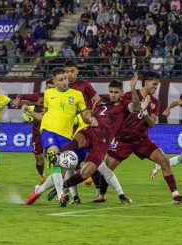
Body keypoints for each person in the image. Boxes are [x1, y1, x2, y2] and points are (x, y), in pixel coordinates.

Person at [26, 75, 140, 207]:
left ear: (121, 93)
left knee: (86, 173)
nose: (113, 95)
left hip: (101, 143)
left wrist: (132, 88)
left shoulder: (125, 105)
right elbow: (88, 113)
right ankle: (57, 158)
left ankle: (58, 187)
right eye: (111, 92)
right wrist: (90, 118)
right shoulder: (102, 102)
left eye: (116, 92)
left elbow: (136, 107)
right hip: (89, 132)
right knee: (71, 150)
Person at [96, 72, 182, 204]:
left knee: (164, 161)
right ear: (146, 82)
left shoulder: (155, 102)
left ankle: (175, 194)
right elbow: (127, 108)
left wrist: (145, 111)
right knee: (108, 168)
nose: (156, 87)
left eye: (157, 84)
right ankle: (102, 195)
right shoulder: (127, 95)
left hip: (141, 140)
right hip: (123, 140)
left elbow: (151, 123)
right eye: (154, 84)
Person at [24, 67, 95, 206]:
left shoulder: (77, 95)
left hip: (66, 136)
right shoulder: (48, 93)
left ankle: (38, 190)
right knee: (54, 157)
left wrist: (90, 119)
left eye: (66, 79)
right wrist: (31, 113)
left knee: (61, 168)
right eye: (61, 80)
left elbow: (84, 116)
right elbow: (45, 115)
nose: (65, 82)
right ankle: (61, 195)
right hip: (48, 131)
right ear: (55, 82)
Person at [64, 59, 101, 202]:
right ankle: (74, 196)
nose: (69, 74)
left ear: (77, 71)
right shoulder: (63, 86)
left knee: (91, 159)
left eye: (72, 71)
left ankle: (99, 192)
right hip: (69, 128)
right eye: (67, 71)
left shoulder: (84, 85)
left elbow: (97, 99)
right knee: (71, 162)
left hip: (85, 127)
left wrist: (91, 114)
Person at [12, 79, 55, 185]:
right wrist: (18, 100)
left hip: (52, 133)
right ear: (45, 88)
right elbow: (21, 95)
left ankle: (61, 179)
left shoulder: (58, 99)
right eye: (48, 87)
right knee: (40, 160)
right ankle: (42, 176)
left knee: (55, 158)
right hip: (37, 134)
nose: (50, 90)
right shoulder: (38, 97)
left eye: (52, 88)